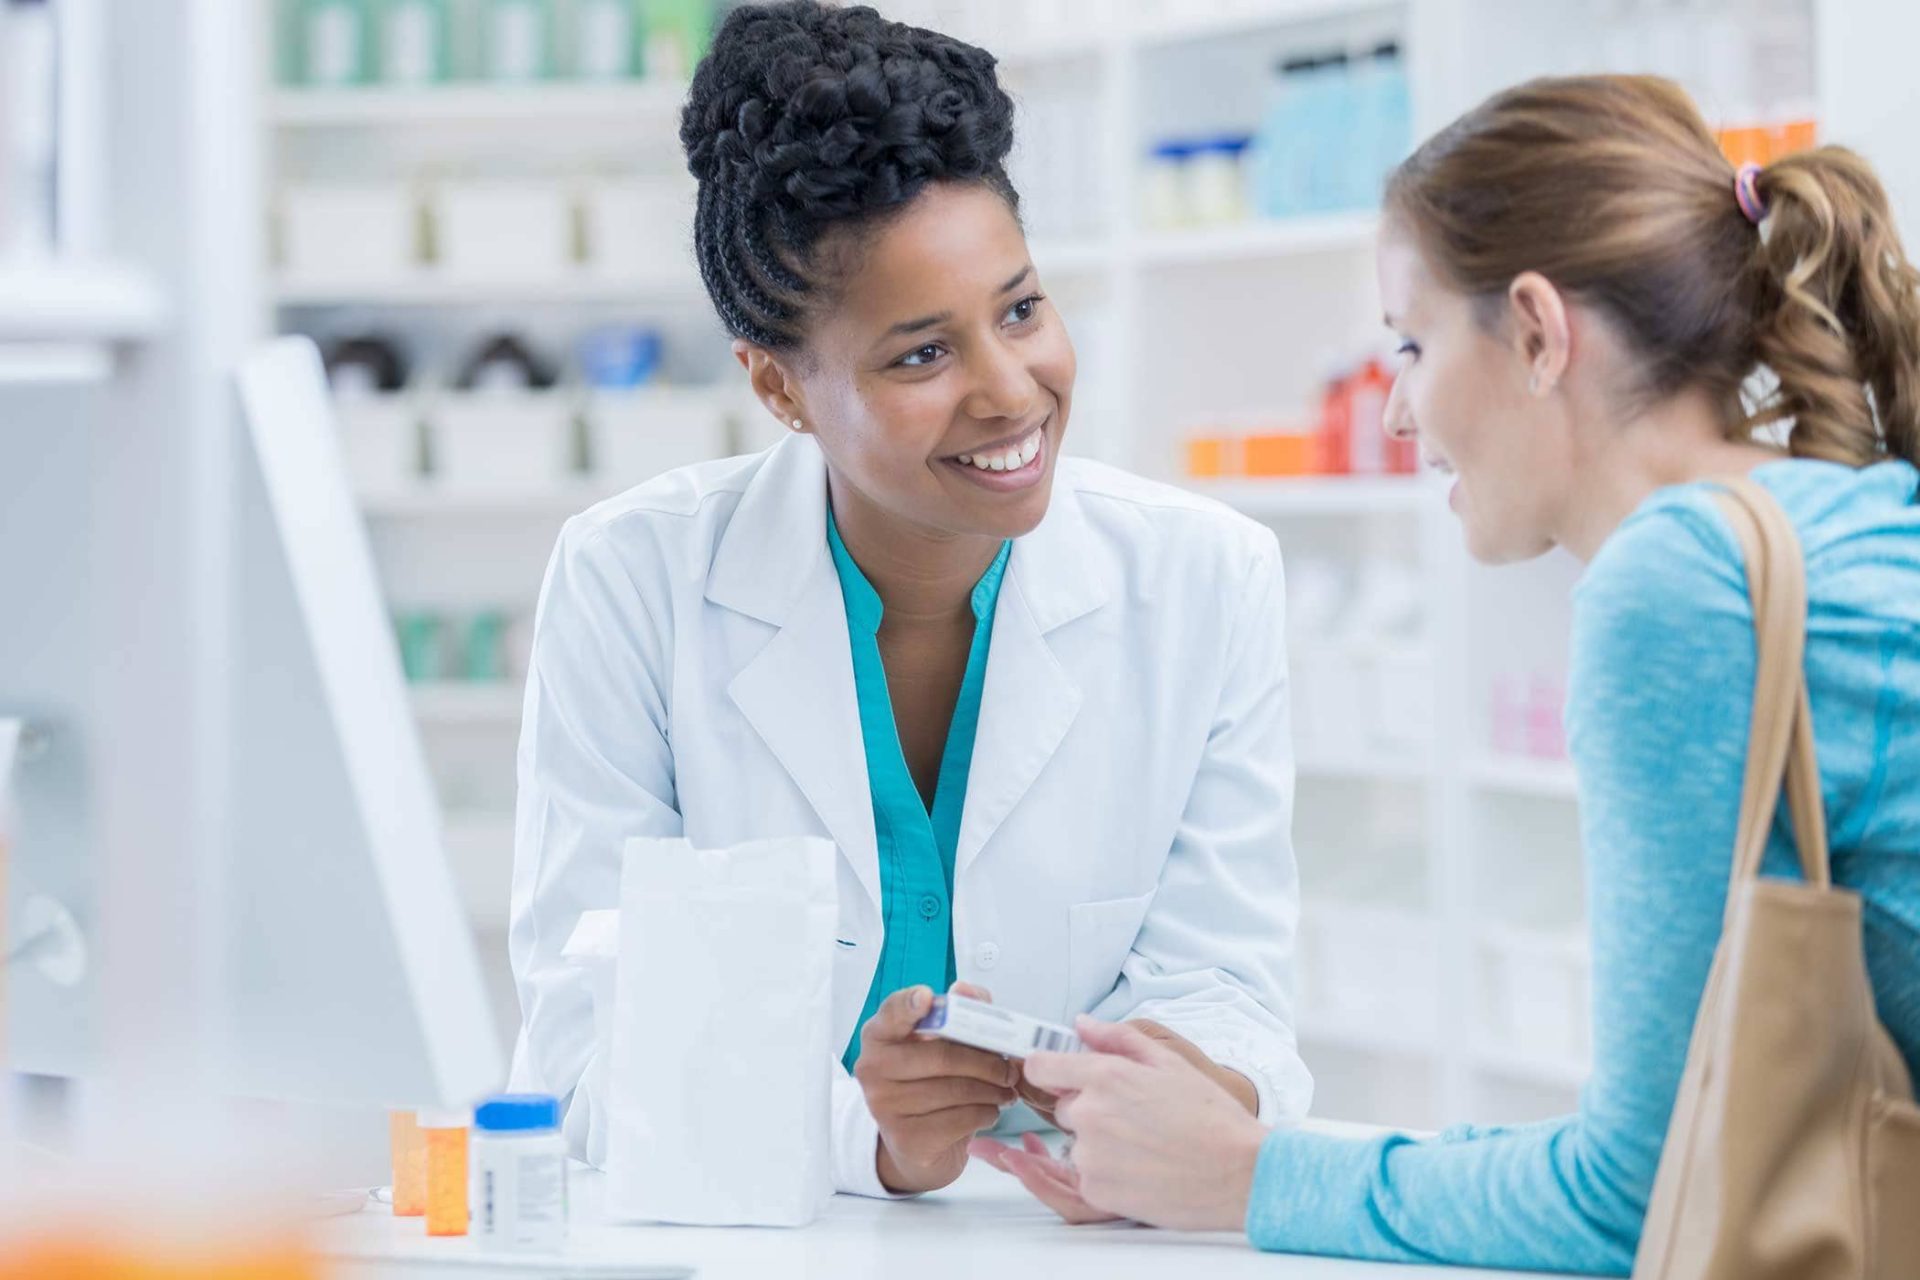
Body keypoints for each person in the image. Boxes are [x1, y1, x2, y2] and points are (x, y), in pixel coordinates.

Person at [977, 74, 1920, 1274]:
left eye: (1412, 345)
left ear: (1536, 330)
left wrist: (1246, 1172)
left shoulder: (1681, 582)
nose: (1400, 413)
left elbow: (1631, 1195)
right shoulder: (1838, 514)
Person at [507, 1, 1312, 1200]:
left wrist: (1161, 1105)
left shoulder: (1204, 578)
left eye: (1022, 308)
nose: (1011, 392)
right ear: (779, 387)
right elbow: (585, 1049)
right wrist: (875, 1139)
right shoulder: (634, 581)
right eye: (921, 355)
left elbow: (1231, 986)